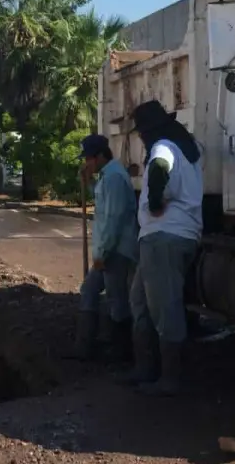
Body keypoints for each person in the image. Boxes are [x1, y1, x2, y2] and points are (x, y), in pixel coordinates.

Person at [118, 99, 204, 397]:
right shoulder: (186, 147)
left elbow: (158, 169)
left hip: (164, 236)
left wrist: (154, 202)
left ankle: (170, 378)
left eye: (141, 132)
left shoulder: (163, 146)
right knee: (140, 301)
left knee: (164, 307)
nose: (141, 137)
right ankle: (146, 368)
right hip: (168, 236)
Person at [70, 134, 139, 362]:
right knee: (89, 290)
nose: (87, 162)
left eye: (89, 158)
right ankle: (84, 347)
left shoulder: (115, 177)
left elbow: (114, 219)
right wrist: (89, 182)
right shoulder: (106, 176)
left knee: (116, 299)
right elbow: (103, 204)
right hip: (107, 251)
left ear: (100, 156)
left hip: (116, 251)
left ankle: (121, 353)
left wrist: (103, 253)